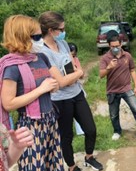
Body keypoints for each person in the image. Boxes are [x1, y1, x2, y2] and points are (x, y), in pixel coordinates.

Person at [39, 11, 103, 171]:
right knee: (66, 136)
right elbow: (60, 82)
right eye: (61, 29)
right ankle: (72, 166)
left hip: (77, 93)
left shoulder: (63, 43)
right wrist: (79, 73)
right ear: (50, 30)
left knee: (90, 129)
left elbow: (72, 67)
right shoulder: (43, 51)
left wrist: (73, 74)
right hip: (60, 100)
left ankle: (89, 157)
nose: (63, 32)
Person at [0, 14, 64, 170]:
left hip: (50, 119)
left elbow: (52, 83)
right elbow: (8, 103)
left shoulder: (40, 57)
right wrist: (41, 89)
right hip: (31, 125)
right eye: (35, 37)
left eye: (40, 35)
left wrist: (52, 86)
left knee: (53, 163)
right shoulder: (12, 67)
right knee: (34, 166)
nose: (40, 40)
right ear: (21, 38)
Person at [99, 35, 136, 141]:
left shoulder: (127, 56)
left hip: (127, 88)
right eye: (112, 46)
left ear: (121, 44)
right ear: (109, 46)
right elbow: (101, 75)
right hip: (112, 91)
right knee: (114, 114)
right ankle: (117, 131)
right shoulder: (105, 58)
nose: (115, 48)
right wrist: (108, 68)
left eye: (117, 45)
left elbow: (132, 70)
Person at [68, 42, 85, 136]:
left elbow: (81, 74)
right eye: (71, 54)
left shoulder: (76, 60)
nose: (73, 57)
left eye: (74, 55)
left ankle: (80, 131)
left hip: (76, 87)